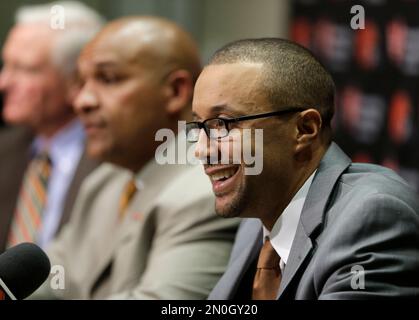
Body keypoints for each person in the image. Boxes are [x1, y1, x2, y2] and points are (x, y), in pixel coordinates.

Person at [187, 38, 419, 299]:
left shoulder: (373, 215)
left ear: (304, 129)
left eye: (223, 124)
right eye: (199, 127)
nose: (201, 150)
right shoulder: (254, 222)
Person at [31, 16, 238, 300]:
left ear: (175, 92)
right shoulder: (105, 181)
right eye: (81, 83)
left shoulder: (207, 189)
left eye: (108, 79)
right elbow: (49, 284)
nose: (82, 101)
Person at [0, 1, 104, 251]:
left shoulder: (114, 160)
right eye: (5, 65)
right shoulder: (5, 151)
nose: (3, 83)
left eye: (25, 69)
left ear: (76, 80)